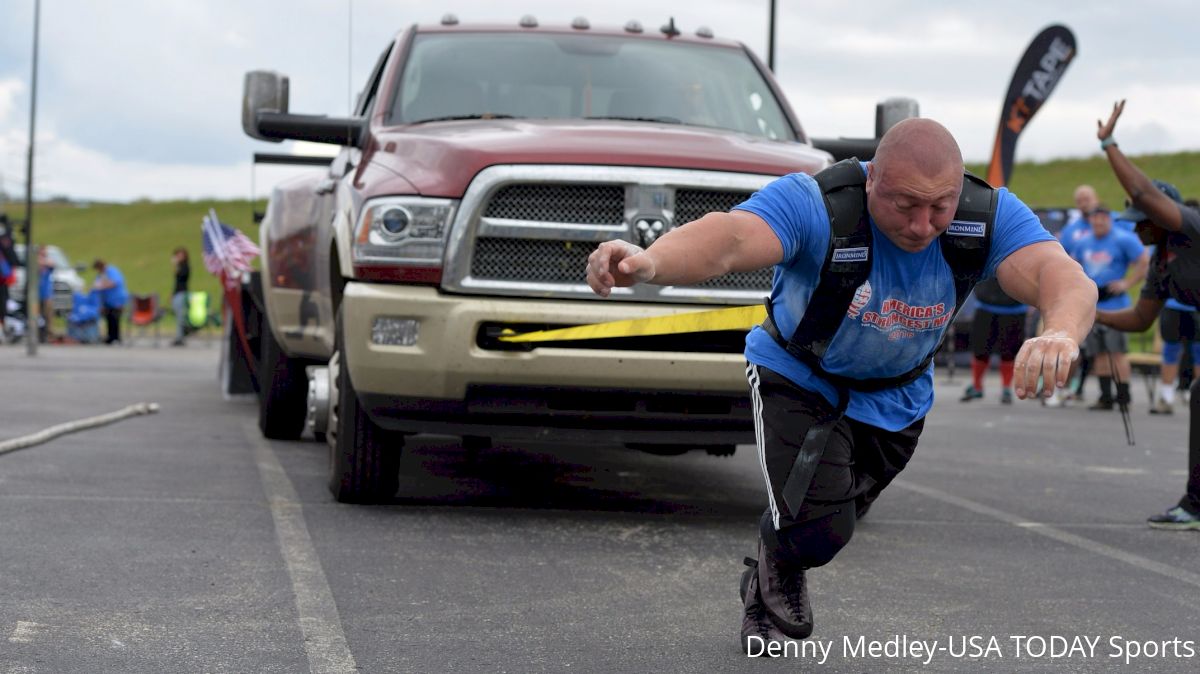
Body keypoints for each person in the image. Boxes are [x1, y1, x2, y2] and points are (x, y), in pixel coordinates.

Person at [585, 118, 1096, 650]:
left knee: (831, 517)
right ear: (872, 180)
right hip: (800, 375)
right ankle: (777, 566)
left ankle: (772, 559)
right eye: (905, 206)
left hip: (897, 393)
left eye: (938, 206)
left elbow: (1059, 275)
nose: (923, 225)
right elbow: (729, 239)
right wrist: (649, 262)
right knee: (820, 529)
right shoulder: (818, 204)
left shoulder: (984, 216)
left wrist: (1060, 330)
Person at [1092, 100, 1200, 530]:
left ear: (1163, 216)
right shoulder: (1161, 262)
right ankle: (1195, 505)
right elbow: (1139, 319)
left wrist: (1109, 143)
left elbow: (1141, 193)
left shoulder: (1189, 227)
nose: (1135, 226)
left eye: (1142, 220)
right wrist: (1091, 312)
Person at [1071, 206, 1147, 410]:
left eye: (1103, 219)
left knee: (1117, 352)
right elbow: (1073, 265)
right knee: (1100, 353)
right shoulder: (1084, 242)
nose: (1099, 223)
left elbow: (1143, 260)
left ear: (1110, 220)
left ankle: (1123, 397)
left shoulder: (1123, 239)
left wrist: (1127, 283)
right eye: (1095, 219)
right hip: (1094, 306)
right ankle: (1105, 397)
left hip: (1117, 307)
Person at [959, 278, 1028, 405]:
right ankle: (977, 386)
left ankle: (1006, 388)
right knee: (980, 350)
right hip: (986, 305)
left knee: (1009, 352)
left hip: (1015, 308)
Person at [1150, 299, 1200, 415]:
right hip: (1173, 305)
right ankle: (1167, 398)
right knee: (1170, 350)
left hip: (1196, 305)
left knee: (1198, 351)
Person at [92, 258, 128, 345]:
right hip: (107, 301)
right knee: (108, 318)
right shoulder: (100, 274)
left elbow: (115, 282)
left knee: (115, 319)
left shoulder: (112, 271)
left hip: (117, 299)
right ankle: (110, 337)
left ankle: (116, 337)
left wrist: (102, 286)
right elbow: (96, 284)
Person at [171, 247, 190, 347]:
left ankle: (180, 337)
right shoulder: (180, 266)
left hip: (182, 293)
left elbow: (181, 277)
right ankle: (180, 335)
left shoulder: (185, 267)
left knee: (180, 316)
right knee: (178, 315)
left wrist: (176, 264)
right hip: (177, 293)